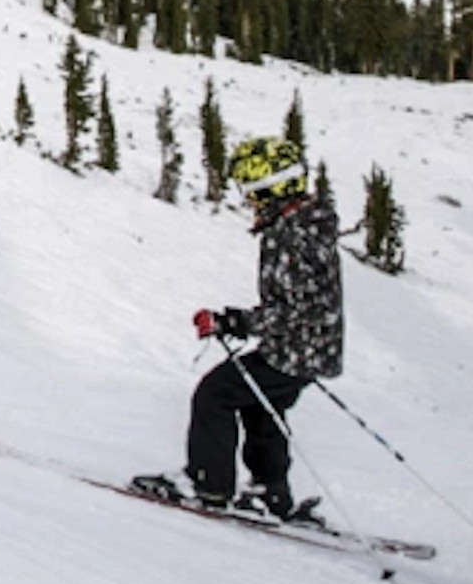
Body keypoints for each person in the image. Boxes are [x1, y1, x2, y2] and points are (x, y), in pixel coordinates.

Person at [134, 136, 344, 520]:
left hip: (294, 348)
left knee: (215, 395)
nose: (248, 199)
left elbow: (292, 310)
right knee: (262, 406)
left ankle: (207, 484)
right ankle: (270, 492)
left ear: (271, 186)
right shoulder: (304, 225)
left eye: (250, 189)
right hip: (310, 348)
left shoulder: (291, 236)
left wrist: (234, 323)